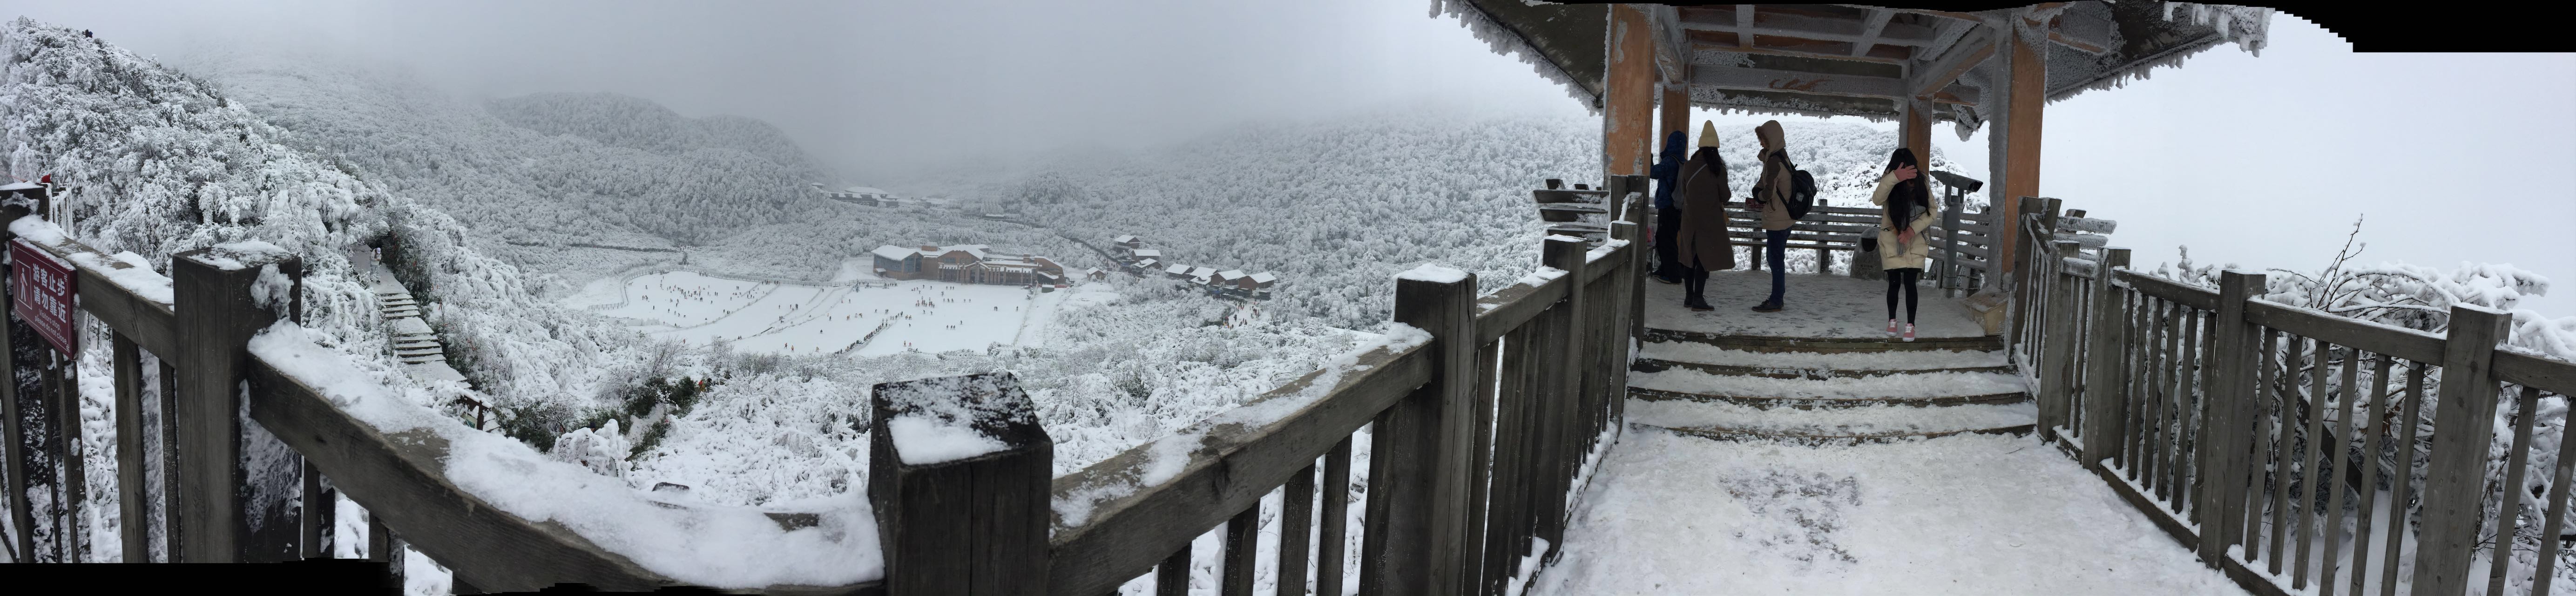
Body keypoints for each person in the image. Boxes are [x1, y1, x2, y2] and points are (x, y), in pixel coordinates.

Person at [1670, 121, 1736, 312]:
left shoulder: (1689, 166)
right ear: (1715, 148)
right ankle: (1699, 298)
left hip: (1690, 219)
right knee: (1704, 259)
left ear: (1700, 147)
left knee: (1690, 257)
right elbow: (1725, 196)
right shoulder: (1718, 170)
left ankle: (1689, 298)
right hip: (1710, 221)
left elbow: (1684, 191)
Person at [1872, 148, 1936, 341]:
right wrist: (1894, 177)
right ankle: (1892, 321)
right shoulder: (1889, 182)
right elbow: (1877, 200)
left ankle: (1911, 325)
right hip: (1892, 241)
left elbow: (1933, 212)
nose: (1907, 179)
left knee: (1910, 284)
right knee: (1893, 283)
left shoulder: (1922, 182)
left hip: (1915, 241)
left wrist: (1912, 230)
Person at [1746, 121, 1795, 312]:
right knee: (1776, 258)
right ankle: (1777, 298)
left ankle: (1776, 300)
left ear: (1772, 139)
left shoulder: (1774, 161)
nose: (1761, 143)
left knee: (1775, 260)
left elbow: (1768, 193)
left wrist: (1758, 195)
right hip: (1784, 217)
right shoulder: (1781, 156)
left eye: (1764, 139)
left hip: (1777, 219)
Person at [1647, 130, 1690, 284]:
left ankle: (1672, 275)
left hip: (1668, 206)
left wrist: (1649, 160)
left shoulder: (1670, 162)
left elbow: (1653, 173)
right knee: (1667, 238)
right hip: (1679, 207)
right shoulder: (1683, 162)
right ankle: (1667, 269)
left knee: (1666, 240)